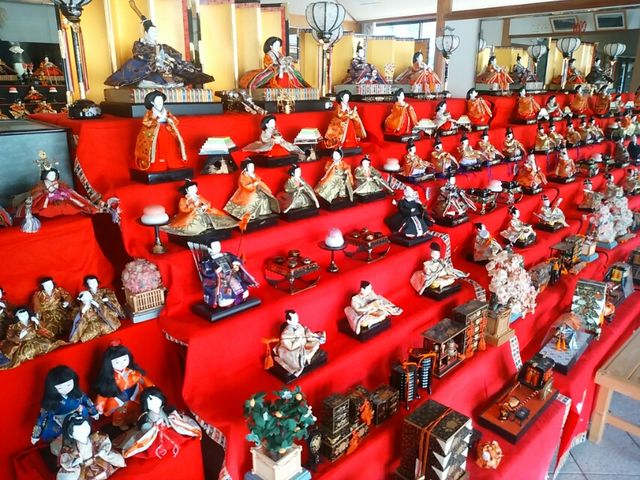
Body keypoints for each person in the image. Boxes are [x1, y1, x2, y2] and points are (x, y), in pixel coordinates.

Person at [105, 16, 213, 88]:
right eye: (152, 32)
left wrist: (169, 58)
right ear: (145, 33)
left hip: (164, 69)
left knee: (178, 78)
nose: (155, 35)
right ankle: (157, 84)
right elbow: (140, 55)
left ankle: (168, 84)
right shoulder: (140, 45)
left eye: (156, 32)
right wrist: (154, 59)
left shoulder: (161, 46)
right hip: (148, 69)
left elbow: (173, 54)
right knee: (153, 78)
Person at [117, 387, 201, 459]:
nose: (154, 401)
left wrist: (172, 420)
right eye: (150, 399)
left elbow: (170, 419)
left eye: (156, 398)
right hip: (154, 437)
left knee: (182, 434)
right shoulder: (147, 416)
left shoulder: (163, 410)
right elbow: (145, 429)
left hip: (169, 432)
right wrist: (154, 428)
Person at [31, 366, 99, 454]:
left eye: (69, 385)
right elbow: (41, 418)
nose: (66, 389)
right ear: (52, 388)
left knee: (83, 432)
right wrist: (35, 435)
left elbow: (87, 401)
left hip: (79, 416)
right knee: (63, 441)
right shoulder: (52, 401)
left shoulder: (77, 395)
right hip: (60, 422)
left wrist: (94, 412)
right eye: (60, 388)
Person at [14, 151, 99, 219]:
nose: (52, 176)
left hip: (59, 195)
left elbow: (62, 189)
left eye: (53, 175)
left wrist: (63, 192)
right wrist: (48, 194)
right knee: (43, 207)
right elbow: (39, 192)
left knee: (70, 201)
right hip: (47, 197)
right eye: (49, 175)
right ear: (45, 176)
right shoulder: (42, 185)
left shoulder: (58, 183)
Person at [94, 344, 154, 428]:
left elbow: (144, 381)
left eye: (124, 359)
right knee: (120, 412)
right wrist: (100, 406)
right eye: (117, 362)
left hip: (134, 393)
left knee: (136, 409)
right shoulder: (109, 378)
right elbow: (103, 393)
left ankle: (135, 420)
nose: (122, 364)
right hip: (118, 397)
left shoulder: (133, 371)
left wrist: (152, 389)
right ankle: (121, 424)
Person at [56, 413, 125, 480]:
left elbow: (104, 442)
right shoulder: (72, 448)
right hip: (84, 466)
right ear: (71, 435)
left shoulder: (94, 438)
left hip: (97, 461)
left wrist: (103, 451)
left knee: (119, 460)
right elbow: (66, 459)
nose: (82, 432)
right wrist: (74, 463)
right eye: (78, 432)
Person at [133, 91, 188, 173]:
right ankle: (158, 165)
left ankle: (172, 163)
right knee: (158, 149)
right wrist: (156, 121)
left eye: (161, 100)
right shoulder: (150, 113)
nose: (160, 102)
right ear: (152, 102)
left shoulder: (167, 112)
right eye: (157, 100)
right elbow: (146, 122)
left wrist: (169, 120)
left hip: (167, 130)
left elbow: (175, 121)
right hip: (155, 133)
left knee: (171, 148)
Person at [162, 179, 238, 236]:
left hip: (204, 212)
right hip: (192, 216)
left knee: (218, 218)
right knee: (194, 224)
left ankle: (211, 226)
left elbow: (207, 203)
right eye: (192, 188)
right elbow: (183, 210)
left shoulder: (198, 197)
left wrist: (205, 206)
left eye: (195, 188)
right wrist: (193, 208)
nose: (194, 189)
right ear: (187, 190)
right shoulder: (184, 200)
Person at [196, 241, 258, 310]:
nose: (217, 248)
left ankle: (240, 296)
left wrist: (236, 264)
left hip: (232, 275)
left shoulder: (226, 255)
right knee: (225, 296)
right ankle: (226, 299)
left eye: (217, 245)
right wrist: (216, 272)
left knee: (243, 290)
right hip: (220, 280)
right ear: (210, 248)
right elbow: (206, 272)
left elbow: (235, 259)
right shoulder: (207, 261)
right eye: (214, 246)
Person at [0, 308, 65, 369]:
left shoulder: (32, 322)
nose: (24, 317)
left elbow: (41, 329)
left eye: (25, 314)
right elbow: (10, 337)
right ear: (16, 317)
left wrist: (37, 322)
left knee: (47, 344)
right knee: (25, 354)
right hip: (23, 344)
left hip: (35, 340)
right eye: (21, 316)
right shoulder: (13, 326)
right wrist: (21, 335)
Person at [270, 310, 326, 377]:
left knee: (316, 343)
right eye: (295, 319)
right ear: (288, 321)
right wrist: (298, 339)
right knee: (299, 356)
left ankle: (308, 357)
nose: (297, 320)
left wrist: (314, 336)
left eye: (297, 318)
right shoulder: (285, 333)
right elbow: (290, 347)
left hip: (303, 345)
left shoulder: (299, 325)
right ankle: (304, 359)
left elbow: (306, 331)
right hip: (292, 351)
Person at [239, 36, 309, 89]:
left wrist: (287, 63)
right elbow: (268, 65)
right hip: (273, 70)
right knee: (275, 77)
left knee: (294, 71)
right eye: (276, 45)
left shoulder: (279, 53)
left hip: (282, 68)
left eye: (279, 45)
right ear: (271, 46)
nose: (278, 47)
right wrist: (279, 66)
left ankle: (296, 85)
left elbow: (283, 60)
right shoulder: (268, 55)